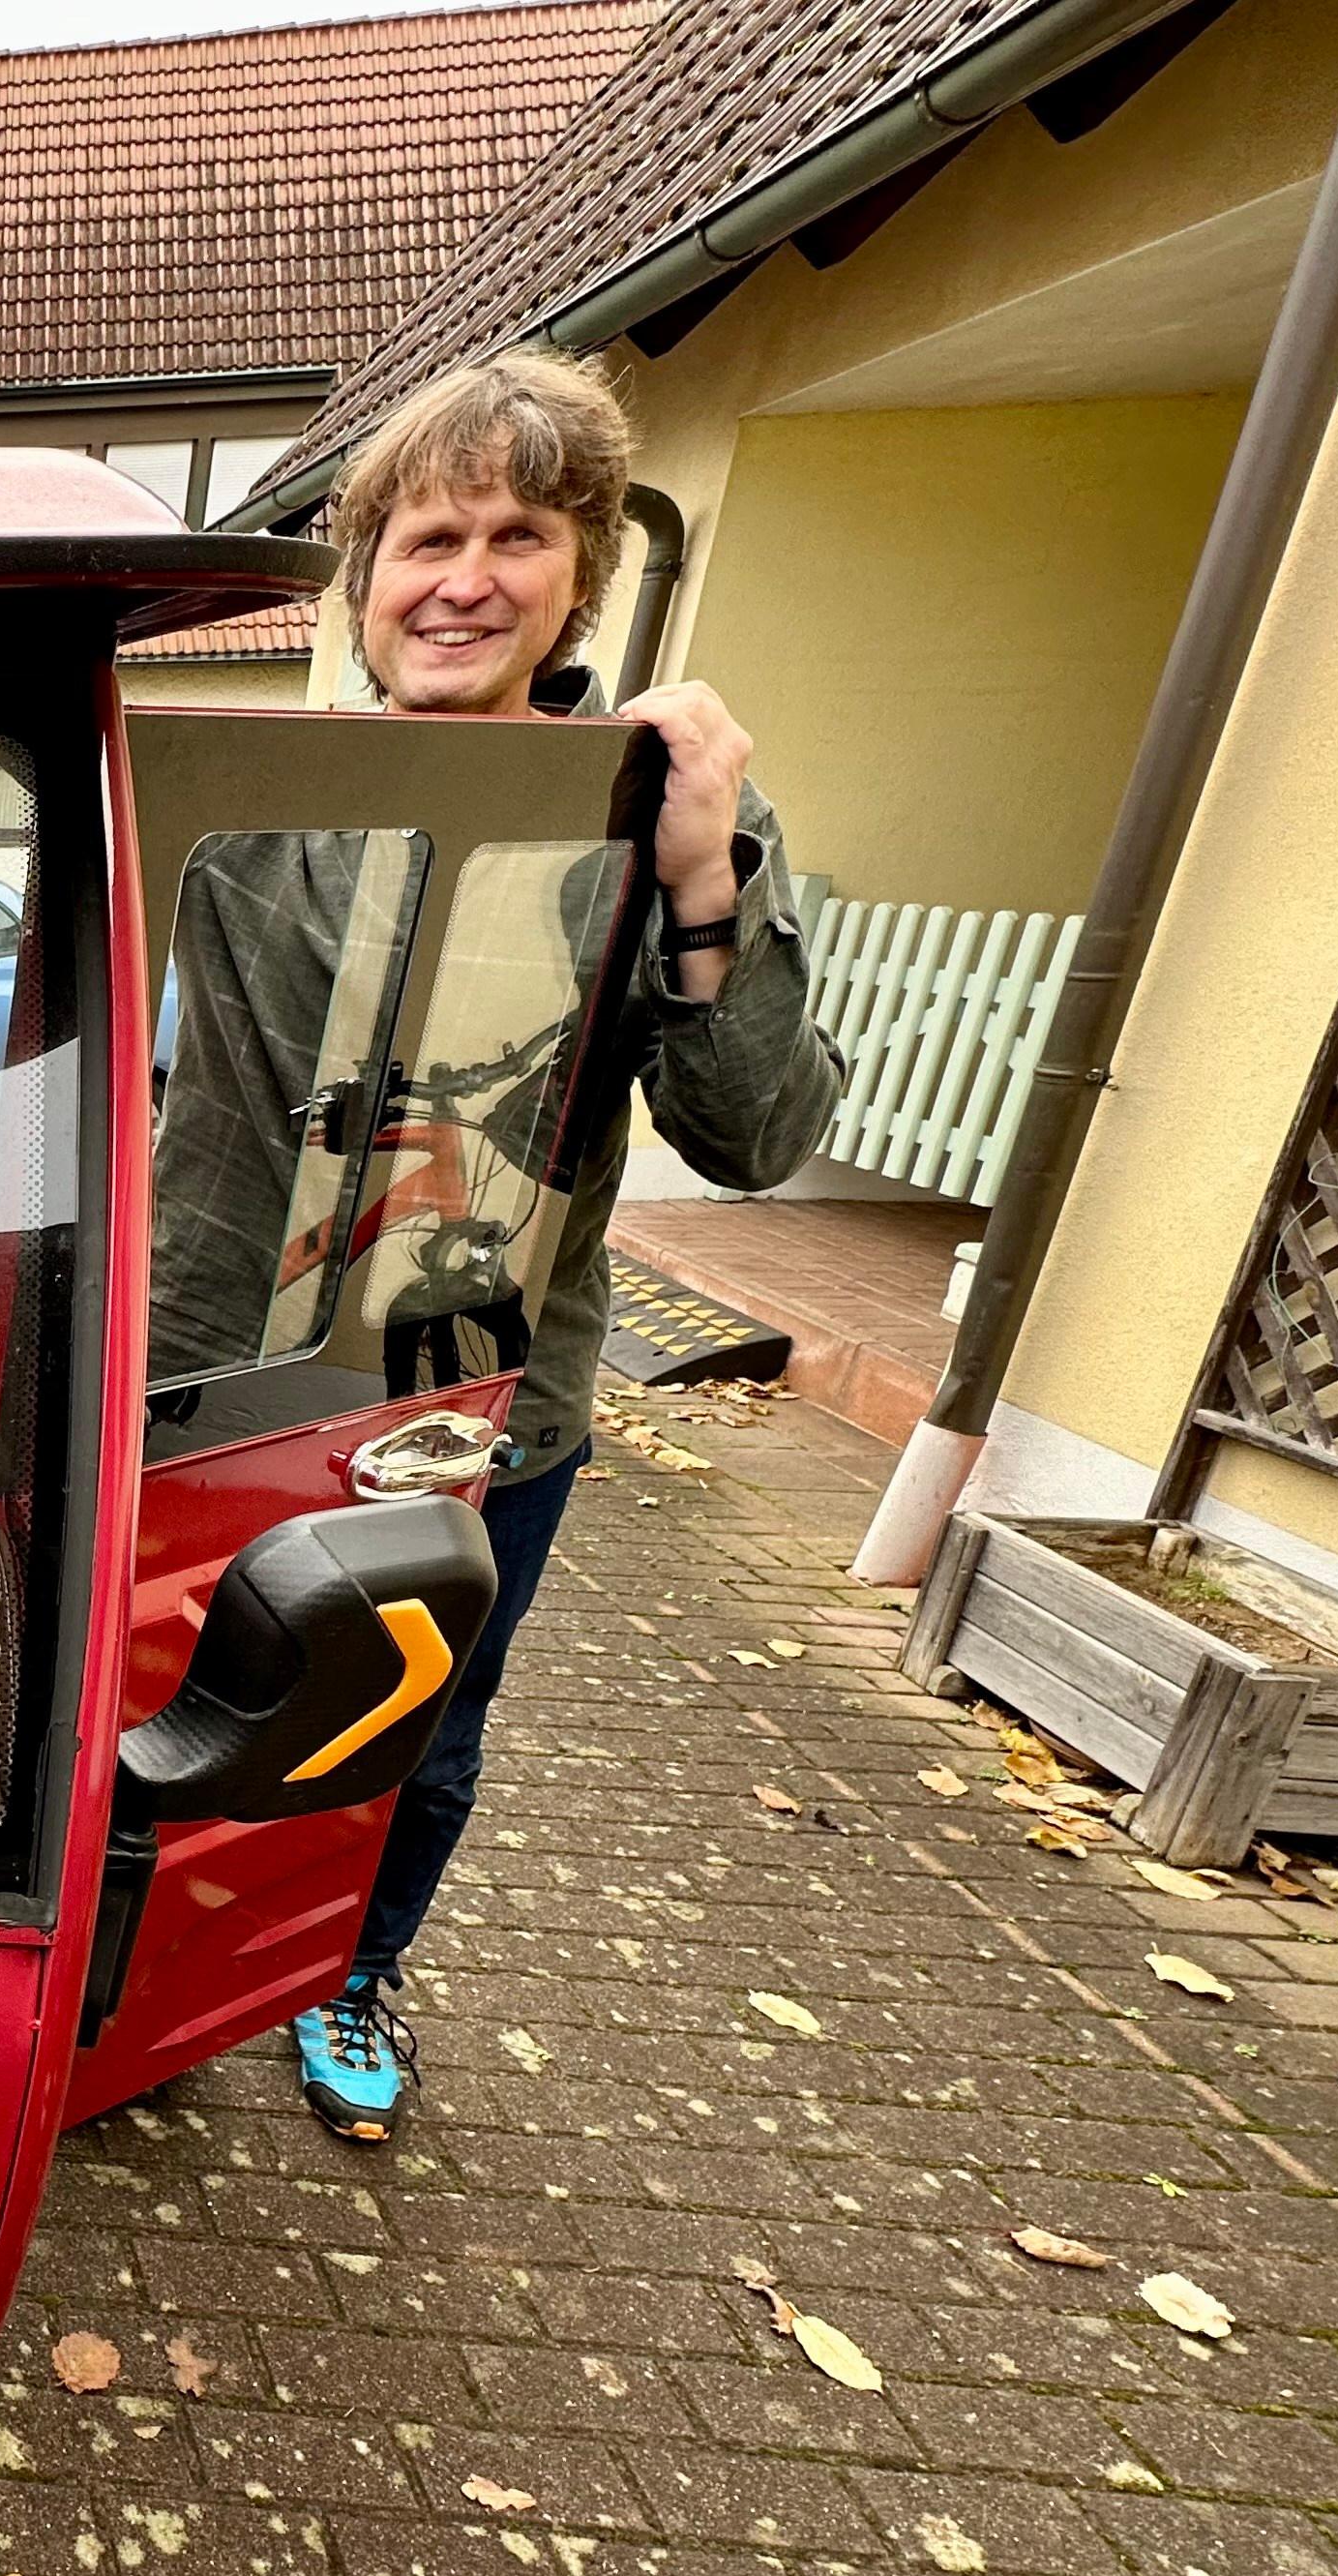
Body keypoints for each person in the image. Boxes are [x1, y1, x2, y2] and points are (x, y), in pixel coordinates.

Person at [265, 352, 844, 2143]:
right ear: (363, 578)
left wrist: (701, 880)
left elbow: (756, 1138)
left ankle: (355, 1968)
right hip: (225, 1369)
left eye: (516, 534)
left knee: (420, 1717)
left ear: (580, 572)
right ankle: (155, 1969)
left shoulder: (657, 816)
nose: (465, 577)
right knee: (185, 1692)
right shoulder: (262, 796)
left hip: (480, 1393)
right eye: (427, 533)